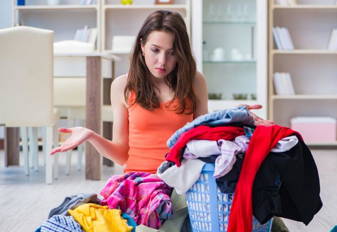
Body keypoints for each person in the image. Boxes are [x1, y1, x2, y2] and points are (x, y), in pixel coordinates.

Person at [50, 10, 272, 173]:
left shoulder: (194, 81)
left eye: (172, 53)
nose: (162, 61)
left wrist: (235, 118)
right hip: (138, 181)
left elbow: (205, 137)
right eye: (155, 50)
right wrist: (91, 136)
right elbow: (120, 154)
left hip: (181, 180)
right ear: (142, 46)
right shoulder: (122, 86)